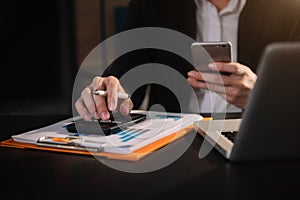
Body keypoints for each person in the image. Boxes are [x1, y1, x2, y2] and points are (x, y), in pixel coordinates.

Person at [75, 0, 300, 121]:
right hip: (175, 139)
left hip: (253, 134)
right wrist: (109, 95)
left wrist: (260, 97)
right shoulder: (153, 5)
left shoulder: (290, 10)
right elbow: (128, 80)